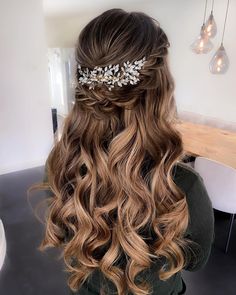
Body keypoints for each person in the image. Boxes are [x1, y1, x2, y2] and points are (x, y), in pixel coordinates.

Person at [28, 8, 215, 295]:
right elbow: (195, 262)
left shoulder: (60, 165)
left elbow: (67, 234)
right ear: (160, 91)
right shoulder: (183, 187)